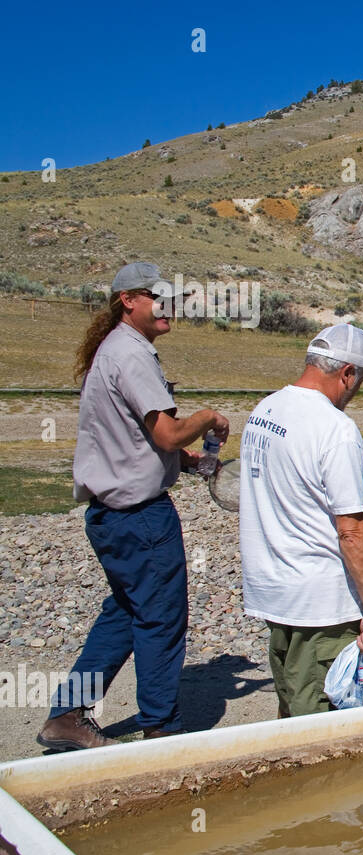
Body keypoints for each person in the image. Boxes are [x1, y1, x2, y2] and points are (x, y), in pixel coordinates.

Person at [38, 262, 231, 751]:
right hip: (141, 518)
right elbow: (165, 432)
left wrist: (186, 462)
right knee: (161, 616)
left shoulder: (118, 351)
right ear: (129, 300)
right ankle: (163, 729)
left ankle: (67, 716)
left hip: (110, 515)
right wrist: (206, 417)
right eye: (158, 297)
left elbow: (140, 441)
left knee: (126, 612)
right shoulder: (131, 353)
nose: (170, 307)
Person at [239, 324, 363, 718]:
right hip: (321, 605)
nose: (356, 392)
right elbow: (352, 530)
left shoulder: (264, 412)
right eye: (361, 381)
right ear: (347, 374)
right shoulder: (335, 430)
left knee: (292, 701)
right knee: (321, 722)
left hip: (275, 594)